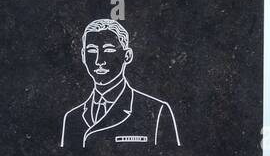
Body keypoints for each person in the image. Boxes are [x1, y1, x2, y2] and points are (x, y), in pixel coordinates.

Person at [60, 18, 180, 148]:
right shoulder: (72, 118)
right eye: (92, 51)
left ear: (127, 55)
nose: (99, 61)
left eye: (109, 50)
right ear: (83, 56)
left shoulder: (157, 112)